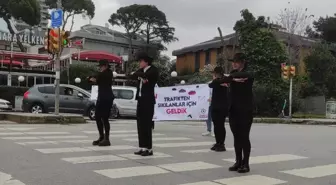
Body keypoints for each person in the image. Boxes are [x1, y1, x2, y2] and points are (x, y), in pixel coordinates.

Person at [214, 53, 254, 173]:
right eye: (233, 61)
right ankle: (238, 161)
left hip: (245, 110)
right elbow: (218, 81)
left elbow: (243, 76)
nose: (234, 63)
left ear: (243, 62)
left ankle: (246, 163)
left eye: (237, 61)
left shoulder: (247, 74)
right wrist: (231, 78)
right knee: (236, 137)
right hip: (233, 110)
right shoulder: (233, 75)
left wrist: (230, 78)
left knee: (244, 137)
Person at [131, 51, 159, 156]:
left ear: (146, 62)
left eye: (141, 61)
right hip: (141, 99)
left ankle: (149, 148)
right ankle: (142, 147)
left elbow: (145, 76)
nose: (139, 63)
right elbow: (134, 75)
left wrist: (140, 75)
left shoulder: (153, 70)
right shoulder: (141, 70)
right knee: (140, 124)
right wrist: (139, 74)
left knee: (147, 125)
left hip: (148, 100)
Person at [88, 60, 114, 147]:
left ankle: (107, 139)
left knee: (105, 118)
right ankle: (101, 136)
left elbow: (98, 77)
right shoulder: (102, 74)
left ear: (106, 66)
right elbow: (95, 80)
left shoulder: (108, 73)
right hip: (101, 97)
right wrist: (92, 79)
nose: (100, 68)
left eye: (102, 66)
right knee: (98, 116)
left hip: (107, 98)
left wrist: (93, 78)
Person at [208, 66, 229, 152]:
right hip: (215, 106)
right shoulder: (217, 81)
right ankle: (217, 142)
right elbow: (211, 85)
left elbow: (213, 84)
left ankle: (222, 144)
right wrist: (218, 81)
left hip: (222, 107)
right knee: (216, 126)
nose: (214, 74)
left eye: (214, 73)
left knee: (220, 126)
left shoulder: (225, 80)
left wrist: (219, 81)